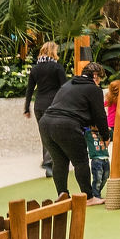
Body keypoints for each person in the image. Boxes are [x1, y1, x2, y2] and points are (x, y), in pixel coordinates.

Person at [39, 62, 111, 202]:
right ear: (95, 76)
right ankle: (89, 197)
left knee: (59, 162)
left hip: (45, 123)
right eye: (99, 80)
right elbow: (99, 115)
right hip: (66, 125)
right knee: (80, 161)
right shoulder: (93, 89)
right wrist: (106, 136)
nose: (99, 84)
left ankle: (63, 195)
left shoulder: (68, 84)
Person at [23, 40, 67, 168]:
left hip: (39, 106)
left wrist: (27, 108)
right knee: (55, 133)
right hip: (54, 105)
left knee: (44, 133)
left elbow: (29, 89)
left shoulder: (35, 69)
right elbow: (64, 88)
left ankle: (48, 160)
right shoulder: (57, 67)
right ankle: (53, 160)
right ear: (53, 51)